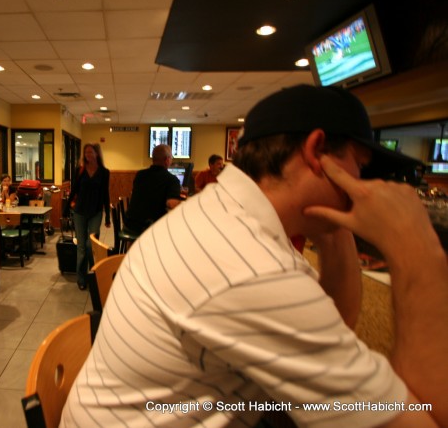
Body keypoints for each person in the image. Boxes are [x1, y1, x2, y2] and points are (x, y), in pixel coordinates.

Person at [62, 85, 447, 427]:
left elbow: (330, 333)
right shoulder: (249, 266)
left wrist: (335, 224)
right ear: (316, 152)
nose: (363, 184)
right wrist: (418, 252)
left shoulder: (221, 216)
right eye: (360, 167)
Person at [63, 143, 111, 290]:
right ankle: (81, 278)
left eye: (91, 152)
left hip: (95, 212)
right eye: (86, 153)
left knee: (91, 246)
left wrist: (108, 216)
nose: (88, 155)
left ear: (97, 154)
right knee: (82, 247)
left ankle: (94, 273)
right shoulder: (80, 170)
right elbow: (74, 190)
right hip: (79, 212)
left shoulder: (104, 172)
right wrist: (66, 208)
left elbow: (105, 194)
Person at [122, 144, 182, 236]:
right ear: (167, 160)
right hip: (150, 228)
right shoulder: (172, 180)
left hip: (130, 225)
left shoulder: (140, 175)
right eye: (171, 157)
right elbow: (171, 203)